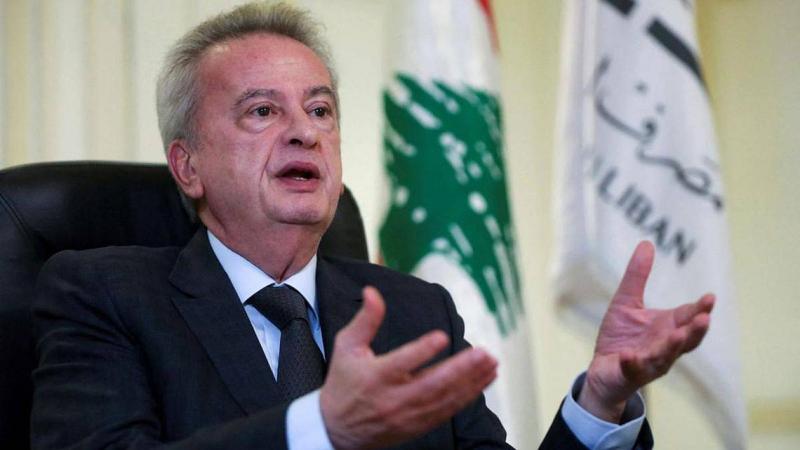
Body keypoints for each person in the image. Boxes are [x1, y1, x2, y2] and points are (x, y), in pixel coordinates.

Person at [30, 3, 714, 449]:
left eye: (320, 110)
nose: (305, 132)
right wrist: (319, 427)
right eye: (262, 111)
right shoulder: (103, 295)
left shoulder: (414, 312)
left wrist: (601, 397)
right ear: (188, 166)